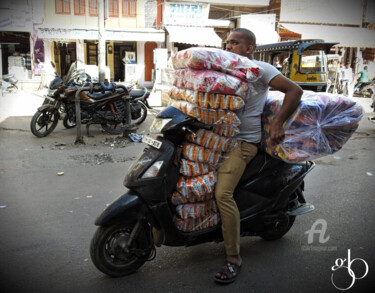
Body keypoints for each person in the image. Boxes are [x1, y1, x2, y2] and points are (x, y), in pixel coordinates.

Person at [214, 28, 303, 284]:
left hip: (242, 143)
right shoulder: (222, 69)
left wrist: (278, 124)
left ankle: (233, 258)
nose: (229, 46)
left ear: (249, 47)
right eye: (227, 42)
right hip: (216, 140)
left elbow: (294, 91)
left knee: (223, 194)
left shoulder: (260, 69)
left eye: (235, 42)